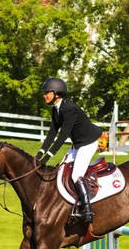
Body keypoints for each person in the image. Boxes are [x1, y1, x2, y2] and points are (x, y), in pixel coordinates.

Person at [36, 77, 102, 223]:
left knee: (76, 175)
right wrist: (40, 154)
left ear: (57, 93)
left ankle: (87, 211)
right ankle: (68, 204)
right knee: (61, 170)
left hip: (88, 143)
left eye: (47, 92)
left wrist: (49, 157)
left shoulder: (69, 109)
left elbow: (62, 136)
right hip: (78, 144)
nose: (44, 95)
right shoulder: (56, 110)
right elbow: (52, 133)